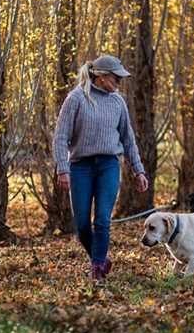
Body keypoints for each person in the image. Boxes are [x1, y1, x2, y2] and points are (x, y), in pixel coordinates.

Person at [53, 54, 149, 280]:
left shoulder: (118, 102)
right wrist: (62, 168)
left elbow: (128, 139)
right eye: (116, 78)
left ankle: (97, 269)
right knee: (83, 224)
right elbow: (61, 136)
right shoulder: (76, 98)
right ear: (101, 76)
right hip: (80, 167)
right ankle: (101, 259)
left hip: (108, 165)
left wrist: (139, 170)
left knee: (103, 219)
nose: (119, 82)